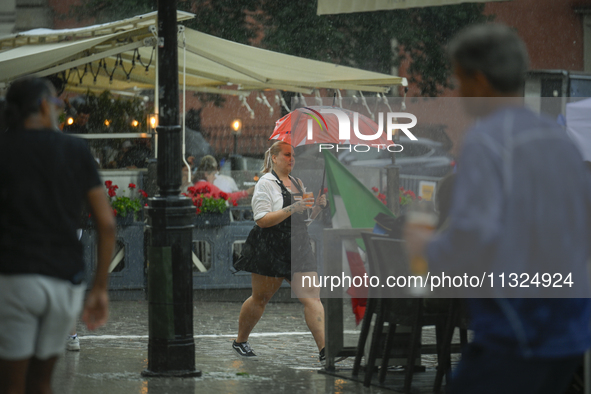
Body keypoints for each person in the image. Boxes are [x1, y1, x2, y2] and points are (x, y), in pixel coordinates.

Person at [404, 24, 591, 394]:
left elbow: (475, 234)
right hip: (569, 329)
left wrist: (424, 250)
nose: (459, 93)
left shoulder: (486, 140)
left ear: (479, 79)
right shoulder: (560, 140)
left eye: (460, 80)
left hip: (516, 328)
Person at [0, 77, 116, 394]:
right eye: (56, 104)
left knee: (11, 384)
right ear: (42, 106)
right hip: (64, 281)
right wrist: (100, 289)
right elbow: (106, 224)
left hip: (14, 278)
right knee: (41, 382)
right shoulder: (75, 149)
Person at [232, 141, 328, 363]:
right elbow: (262, 220)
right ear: (274, 158)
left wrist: (317, 208)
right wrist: (294, 207)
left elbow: (304, 220)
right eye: (286, 155)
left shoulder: (297, 182)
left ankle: (326, 350)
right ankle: (240, 341)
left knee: (312, 298)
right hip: (271, 247)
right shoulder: (265, 183)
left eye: (293, 155)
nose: (291, 158)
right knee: (260, 299)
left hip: (299, 245)